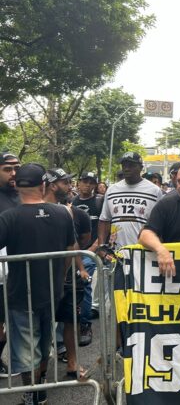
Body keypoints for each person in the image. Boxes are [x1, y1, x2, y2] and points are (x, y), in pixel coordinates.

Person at [0, 163, 76, 405]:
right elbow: (70, 250)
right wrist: (61, 278)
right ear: (43, 185)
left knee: (27, 350)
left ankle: (33, 394)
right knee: (44, 343)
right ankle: (39, 390)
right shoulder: (62, 213)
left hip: (21, 294)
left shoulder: (8, 217)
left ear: (17, 186)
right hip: (52, 291)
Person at [44, 168, 91, 379]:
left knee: (70, 319)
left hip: (67, 276)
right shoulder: (34, 209)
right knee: (41, 323)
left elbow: (74, 244)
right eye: (65, 182)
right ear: (52, 184)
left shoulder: (69, 211)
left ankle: (72, 363)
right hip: (40, 275)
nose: (69, 186)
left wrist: (77, 268)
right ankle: (40, 371)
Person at [98, 152, 163, 251]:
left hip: (144, 252)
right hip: (116, 253)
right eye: (124, 165)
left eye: (131, 165)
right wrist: (101, 247)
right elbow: (104, 220)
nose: (127, 168)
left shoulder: (154, 191)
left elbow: (161, 223)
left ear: (141, 168)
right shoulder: (112, 190)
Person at [71, 172, 102, 346]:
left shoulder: (99, 202)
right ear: (79, 183)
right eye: (85, 182)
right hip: (71, 250)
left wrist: (92, 249)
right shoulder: (72, 202)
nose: (88, 185)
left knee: (84, 284)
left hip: (90, 252)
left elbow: (107, 226)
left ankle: (84, 324)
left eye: (92, 183)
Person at [0, 153, 20, 378]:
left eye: (17, 168)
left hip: (17, 272)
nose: (14, 173)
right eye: (7, 169)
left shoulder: (22, 195)